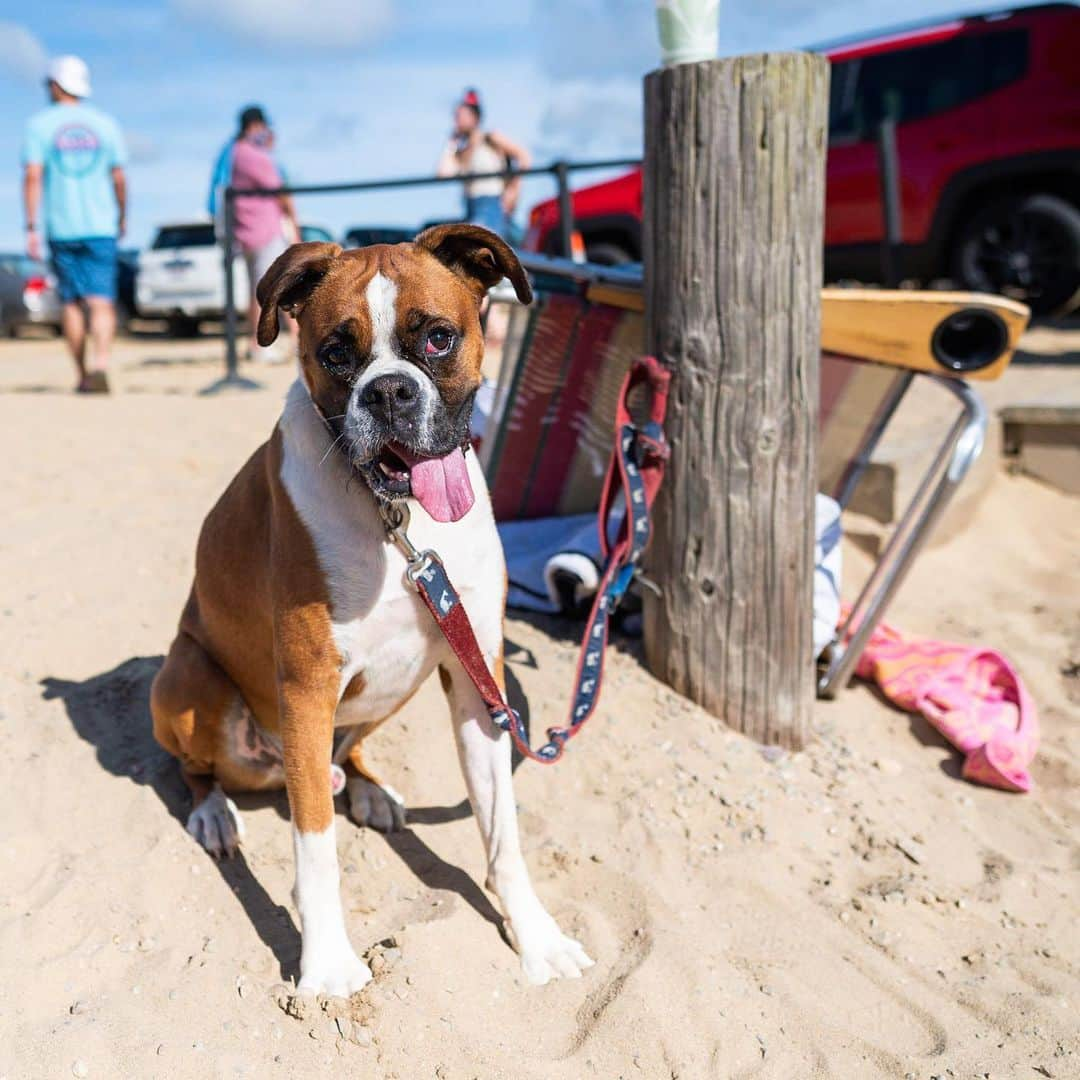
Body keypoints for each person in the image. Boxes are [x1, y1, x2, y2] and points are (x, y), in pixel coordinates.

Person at [22, 55, 127, 394]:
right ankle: (101, 364)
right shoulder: (106, 124)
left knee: (71, 303)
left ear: (55, 84)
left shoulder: (39, 125)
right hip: (101, 225)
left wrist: (31, 227)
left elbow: (33, 177)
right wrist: (122, 215)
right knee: (101, 301)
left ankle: (82, 374)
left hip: (61, 227)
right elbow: (119, 177)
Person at [227, 107, 299, 362]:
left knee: (257, 292)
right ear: (255, 126)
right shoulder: (253, 155)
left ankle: (259, 344)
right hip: (264, 230)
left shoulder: (237, 153)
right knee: (271, 291)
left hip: (247, 232)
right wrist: (295, 224)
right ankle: (263, 346)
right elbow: (280, 191)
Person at [436, 89, 530, 239]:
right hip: (470, 205)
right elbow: (443, 174)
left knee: (477, 246)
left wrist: (513, 190)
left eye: (460, 115)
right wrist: (451, 143)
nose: (456, 120)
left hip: (491, 203)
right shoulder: (461, 151)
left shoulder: (491, 138)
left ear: (474, 117)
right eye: (456, 116)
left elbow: (524, 156)